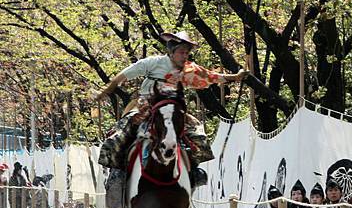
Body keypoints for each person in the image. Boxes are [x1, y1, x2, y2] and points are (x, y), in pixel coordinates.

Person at [95, 31, 247, 187]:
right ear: (171, 52)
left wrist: (236, 76)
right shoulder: (153, 63)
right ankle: (117, 172)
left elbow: (212, 76)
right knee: (121, 132)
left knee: (197, 131)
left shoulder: (189, 69)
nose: (185, 56)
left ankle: (193, 170)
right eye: (181, 52)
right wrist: (105, 91)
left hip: (174, 107)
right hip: (147, 104)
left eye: (187, 53)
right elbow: (123, 76)